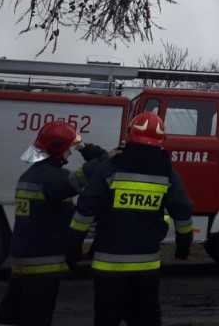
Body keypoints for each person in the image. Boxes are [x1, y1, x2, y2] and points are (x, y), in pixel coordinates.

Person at [69, 112, 193, 326]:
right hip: (146, 267)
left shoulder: (110, 167)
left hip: (108, 265)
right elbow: (182, 210)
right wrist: (183, 244)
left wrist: (73, 244)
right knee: (146, 320)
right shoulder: (167, 172)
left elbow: (86, 207)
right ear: (160, 140)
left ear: (130, 135)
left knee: (106, 319)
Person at [0, 122, 108, 326]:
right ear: (58, 149)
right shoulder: (54, 179)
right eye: (68, 150)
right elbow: (97, 168)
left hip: (23, 263)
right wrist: (89, 149)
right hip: (42, 266)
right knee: (37, 317)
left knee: (9, 316)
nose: (69, 155)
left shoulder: (31, 176)